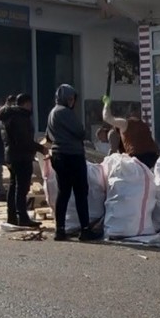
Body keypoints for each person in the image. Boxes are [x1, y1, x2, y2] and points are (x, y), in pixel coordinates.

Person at [46, 84, 98, 242]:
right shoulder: (65, 112)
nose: (73, 101)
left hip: (58, 155)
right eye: (72, 98)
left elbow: (48, 136)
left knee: (64, 192)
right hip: (72, 156)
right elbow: (80, 132)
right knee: (81, 193)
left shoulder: (52, 113)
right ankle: (85, 229)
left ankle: (60, 229)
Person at [0, 93, 45, 227]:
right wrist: (40, 148)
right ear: (26, 104)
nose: (31, 107)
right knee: (21, 188)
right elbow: (24, 140)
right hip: (21, 156)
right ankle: (23, 217)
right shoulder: (20, 117)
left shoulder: (7, 115)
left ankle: (12, 216)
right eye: (30, 104)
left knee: (13, 186)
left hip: (11, 155)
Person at [102, 95, 160, 169]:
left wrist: (106, 104)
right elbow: (153, 144)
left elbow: (107, 117)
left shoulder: (125, 123)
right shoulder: (144, 125)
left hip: (138, 158)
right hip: (152, 157)